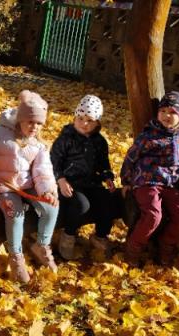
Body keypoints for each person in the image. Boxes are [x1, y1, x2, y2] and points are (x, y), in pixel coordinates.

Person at [0, 90, 59, 283]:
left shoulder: (38, 144)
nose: (34, 127)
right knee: (15, 215)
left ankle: (42, 245)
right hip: (4, 185)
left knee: (51, 207)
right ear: (21, 119)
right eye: (30, 122)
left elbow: (42, 171)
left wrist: (47, 191)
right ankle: (16, 256)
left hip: (26, 185)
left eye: (39, 123)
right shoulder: (0, 135)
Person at [120, 91, 179, 266]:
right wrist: (126, 181)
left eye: (173, 112)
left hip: (170, 185)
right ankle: (133, 248)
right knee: (153, 215)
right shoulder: (149, 135)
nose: (167, 115)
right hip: (147, 181)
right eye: (163, 111)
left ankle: (165, 245)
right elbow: (131, 157)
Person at [50, 94, 118, 260]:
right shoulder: (66, 139)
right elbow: (54, 161)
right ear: (75, 117)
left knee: (107, 200)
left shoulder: (99, 141)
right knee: (81, 205)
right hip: (70, 183)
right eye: (80, 118)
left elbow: (103, 163)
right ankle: (68, 235)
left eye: (89, 120)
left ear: (97, 123)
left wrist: (107, 176)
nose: (84, 124)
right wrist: (61, 179)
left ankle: (100, 236)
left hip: (91, 182)